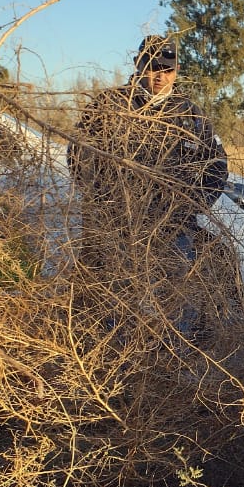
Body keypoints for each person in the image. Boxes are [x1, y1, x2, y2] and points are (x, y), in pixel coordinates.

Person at [67, 35, 229, 337]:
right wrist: (105, 200)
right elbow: (79, 155)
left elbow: (216, 166)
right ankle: (117, 363)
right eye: (152, 66)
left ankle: (170, 363)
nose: (160, 75)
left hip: (173, 230)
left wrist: (190, 207)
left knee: (175, 300)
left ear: (177, 69)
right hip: (117, 228)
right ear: (138, 64)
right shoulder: (111, 106)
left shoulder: (191, 115)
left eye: (167, 68)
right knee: (117, 300)